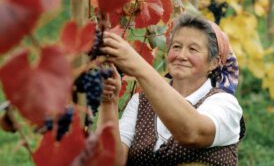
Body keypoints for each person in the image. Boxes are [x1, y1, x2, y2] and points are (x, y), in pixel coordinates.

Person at [100, 13, 245, 166]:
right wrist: (108, 101)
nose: (181, 55)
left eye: (193, 49)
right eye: (176, 47)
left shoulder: (226, 104)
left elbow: (192, 133)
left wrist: (139, 66)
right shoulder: (140, 102)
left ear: (214, 63)